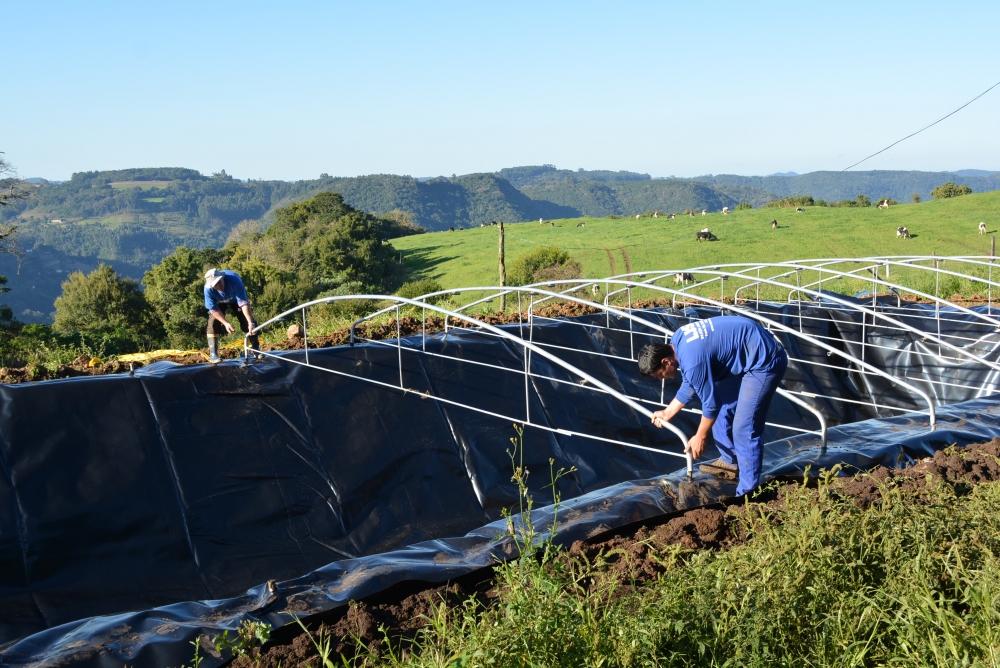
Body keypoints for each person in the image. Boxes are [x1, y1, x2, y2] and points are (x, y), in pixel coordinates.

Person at [637, 316, 788, 496]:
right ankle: (730, 461)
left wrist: (700, 436)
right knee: (723, 410)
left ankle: (748, 494)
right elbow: (691, 384)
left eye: (659, 375)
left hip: (765, 361)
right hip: (746, 350)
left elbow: (710, 404)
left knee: (744, 429)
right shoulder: (677, 342)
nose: (660, 379)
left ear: (665, 361)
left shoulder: (692, 360)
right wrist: (668, 412)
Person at [204, 268, 260, 363]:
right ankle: (213, 354)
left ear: (222, 277)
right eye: (215, 285)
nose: (219, 286)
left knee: (247, 320)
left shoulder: (234, 280)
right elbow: (213, 309)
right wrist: (225, 323)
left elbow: (243, 303)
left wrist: (250, 322)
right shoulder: (208, 290)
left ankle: (256, 349)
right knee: (213, 321)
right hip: (219, 302)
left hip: (236, 300)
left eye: (219, 282)